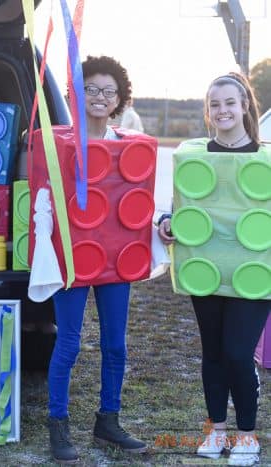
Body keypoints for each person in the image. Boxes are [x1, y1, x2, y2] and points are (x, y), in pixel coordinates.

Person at [158, 72, 269, 467]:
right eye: (214, 104)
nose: (222, 110)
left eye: (229, 103)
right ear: (208, 112)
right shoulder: (195, 157)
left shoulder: (266, 160)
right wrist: (167, 223)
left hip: (253, 272)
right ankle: (217, 430)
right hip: (205, 271)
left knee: (239, 353)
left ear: (244, 107)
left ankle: (247, 436)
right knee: (214, 354)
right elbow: (181, 206)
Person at [46, 55, 147, 464]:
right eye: (91, 88)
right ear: (76, 92)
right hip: (74, 257)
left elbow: (139, 201)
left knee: (116, 346)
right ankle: (59, 424)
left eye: (109, 91)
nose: (100, 97)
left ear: (120, 98)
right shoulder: (59, 143)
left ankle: (108, 421)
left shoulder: (130, 147)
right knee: (68, 343)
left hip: (115, 259)